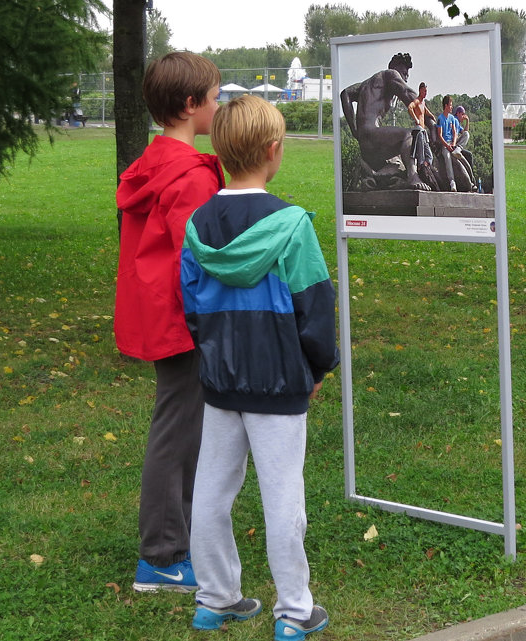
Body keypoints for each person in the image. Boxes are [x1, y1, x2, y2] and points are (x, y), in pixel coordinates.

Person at [180, 94, 339, 639]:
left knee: (211, 493)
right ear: (274, 151)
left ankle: (215, 598)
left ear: (220, 151)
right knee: (282, 498)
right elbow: (315, 306)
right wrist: (319, 368)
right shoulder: (292, 225)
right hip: (278, 385)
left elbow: (192, 309)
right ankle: (294, 612)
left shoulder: (198, 224)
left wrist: (213, 356)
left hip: (221, 382)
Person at [115, 51, 225, 594]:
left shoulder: (154, 164)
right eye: (214, 96)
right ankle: (160, 557)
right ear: (190, 106)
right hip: (185, 322)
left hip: (166, 316)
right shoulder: (190, 177)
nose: (218, 104)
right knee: (177, 433)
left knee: (184, 429)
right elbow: (203, 257)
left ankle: (176, 542)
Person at [339, 52, 430, 191]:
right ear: (394, 67)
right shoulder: (391, 74)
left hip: (367, 143)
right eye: (404, 73)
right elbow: (408, 94)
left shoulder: (367, 84)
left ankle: (377, 177)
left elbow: (345, 94)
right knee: (411, 135)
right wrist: (431, 123)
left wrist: (354, 130)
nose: (405, 78)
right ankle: (413, 177)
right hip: (371, 135)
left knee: (400, 160)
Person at [436, 95, 466, 192]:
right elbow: (439, 135)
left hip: (453, 143)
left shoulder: (452, 118)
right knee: (447, 158)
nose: (452, 107)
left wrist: (453, 144)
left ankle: (458, 149)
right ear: (446, 106)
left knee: (466, 134)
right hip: (445, 145)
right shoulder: (440, 118)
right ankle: (452, 182)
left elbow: (454, 132)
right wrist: (447, 146)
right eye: (450, 105)